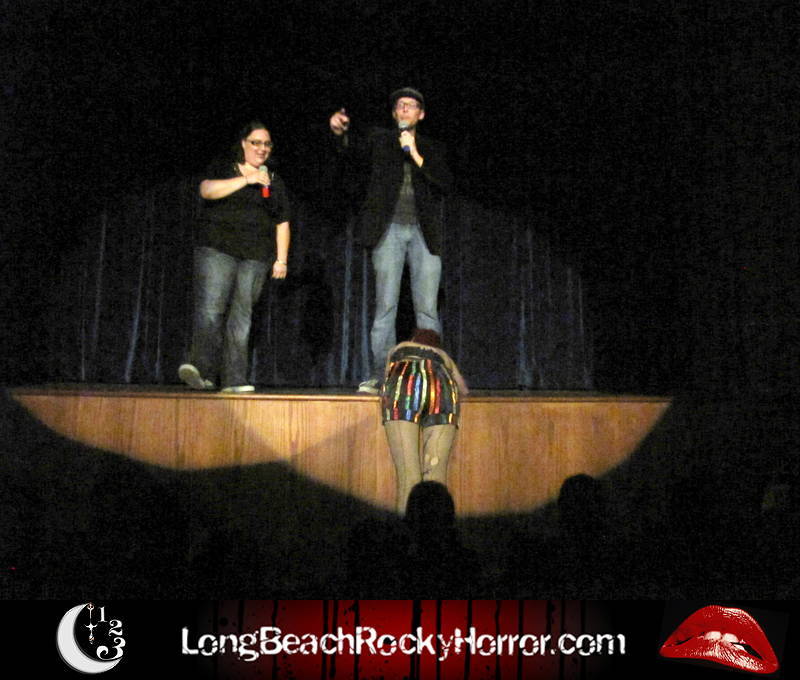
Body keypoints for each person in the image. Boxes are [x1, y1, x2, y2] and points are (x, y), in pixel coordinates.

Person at [329, 87, 453, 393]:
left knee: (427, 309)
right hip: (389, 231)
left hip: (425, 234)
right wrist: (340, 134)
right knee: (386, 306)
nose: (405, 109)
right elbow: (351, 154)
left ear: (421, 114)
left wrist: (415, 153)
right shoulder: (380, 141)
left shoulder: (432, 147)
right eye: (400, 105)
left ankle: (431, 376)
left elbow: (444, 182)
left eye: (411, 106)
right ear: (394, 113)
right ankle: (381, 375)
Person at [179, 121, 291, 393]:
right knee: (211, 310)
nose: (262, 149)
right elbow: (206, 190)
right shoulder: (225, 167)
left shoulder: (273, 180)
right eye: (256, 143)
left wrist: (281, 260)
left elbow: (282, 221)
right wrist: (246, 179)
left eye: (267, 144)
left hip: (255, 256)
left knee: (242, 318)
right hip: (218, 249)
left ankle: (234, 380)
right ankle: (201, 371)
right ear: (243, 143)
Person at [379, 328, 468, 513]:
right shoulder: (443, 356)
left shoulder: (400, 348)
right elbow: (463, 389)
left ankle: (407, 528)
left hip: (404, 385)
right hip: (441, 388)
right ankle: (437, 527)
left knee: (408, 478)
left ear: (413, 339)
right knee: (436, 477)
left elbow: (387, 376)